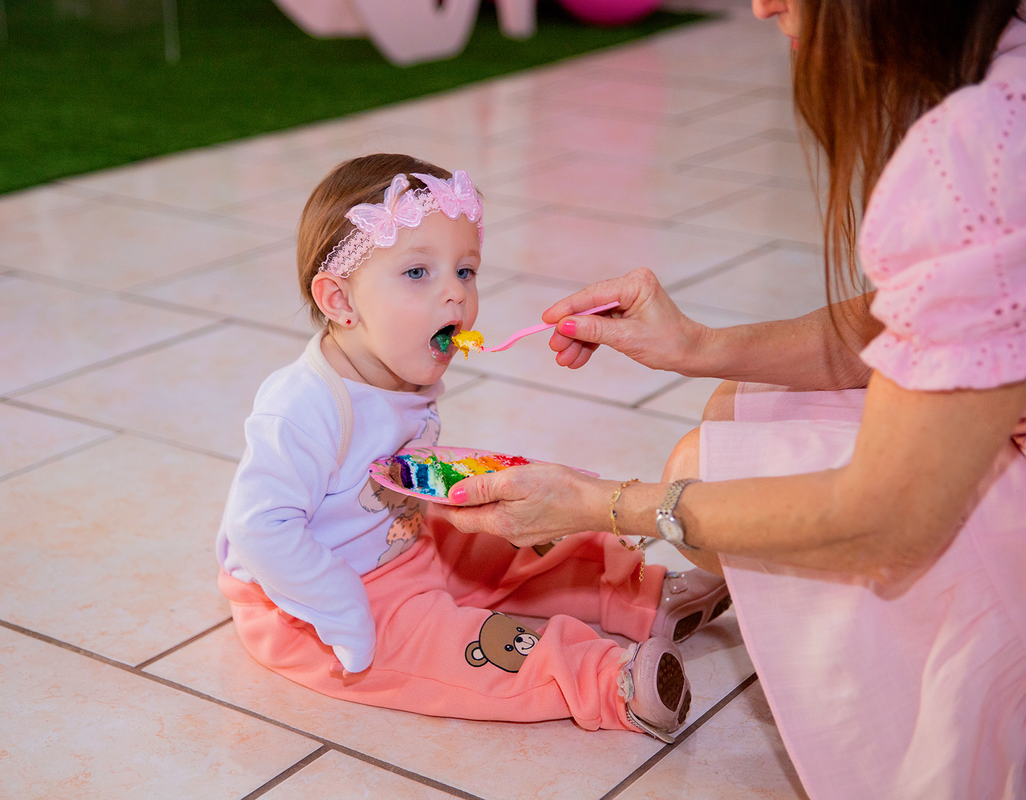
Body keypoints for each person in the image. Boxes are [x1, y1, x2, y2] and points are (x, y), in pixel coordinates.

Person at [436, 1, 1026, 797]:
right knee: (735, 409)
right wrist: (698, 345)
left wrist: (607, 505)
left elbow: (889, 520)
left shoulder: (983, 147)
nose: (761, 4)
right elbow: (919, 314)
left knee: (704, 468)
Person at [215, 153, 732, 740]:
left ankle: (638, 594)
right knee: (460, 645)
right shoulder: (302, 405)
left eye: (465, 271)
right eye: (418, 273)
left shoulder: (398, 368)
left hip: (405, 541)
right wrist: (338, 607)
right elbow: (260, 528)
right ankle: (609, 682)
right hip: (316, 597)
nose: (456, 296)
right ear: (339, 301)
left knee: (509, 544)